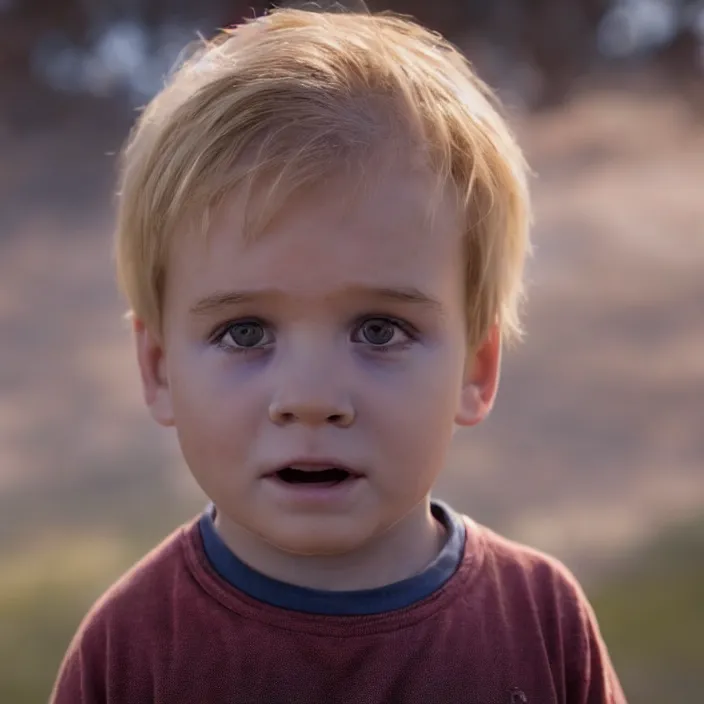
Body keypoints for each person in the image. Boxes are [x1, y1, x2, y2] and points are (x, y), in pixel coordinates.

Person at [50, 7, 627, 703]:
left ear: (476, 369)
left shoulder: (542, 621)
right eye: (245, 332)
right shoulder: (131, 648)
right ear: (160, 368)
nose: (312, 396)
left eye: (379, 330)